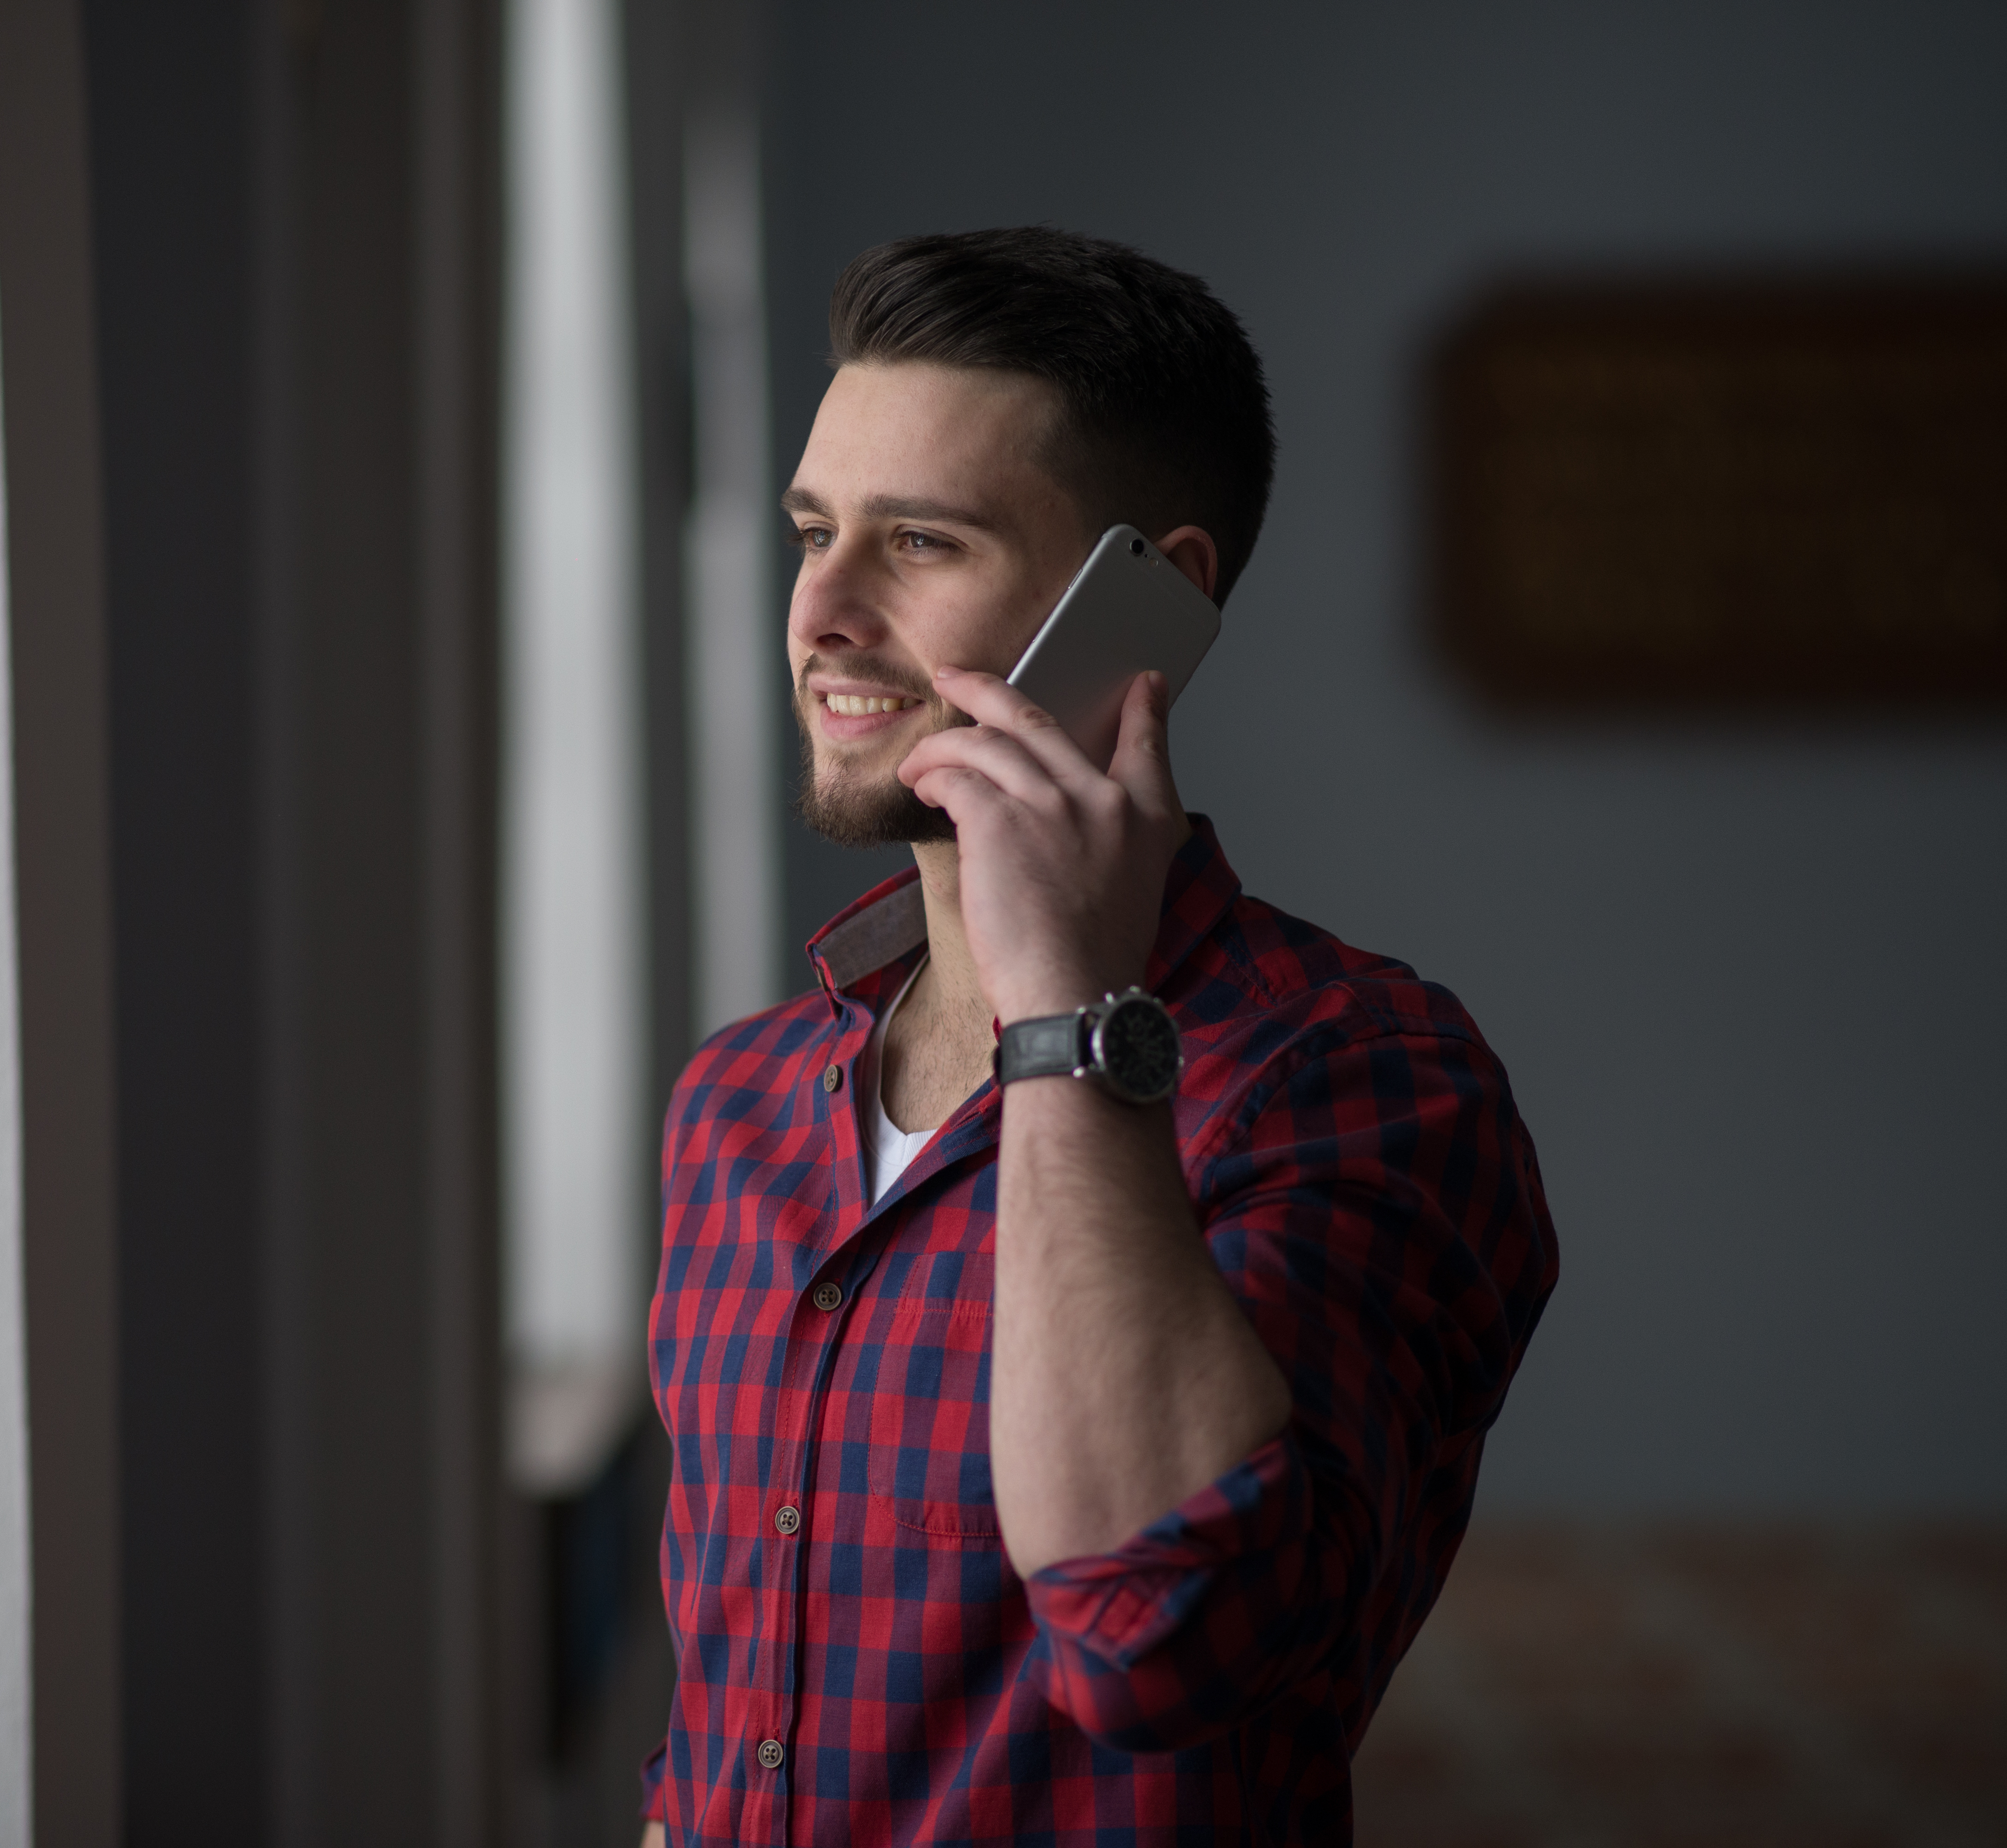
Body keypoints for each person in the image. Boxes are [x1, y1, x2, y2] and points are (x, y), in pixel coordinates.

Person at [635, 229, 1556, 1847]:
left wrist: (1065, 1021)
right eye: (812, 531)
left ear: (1150, 606)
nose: (824, 613)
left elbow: (1167, 1640)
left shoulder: (1360, 1078)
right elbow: (724, 1717)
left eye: (919, 541)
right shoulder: (741, 1103)